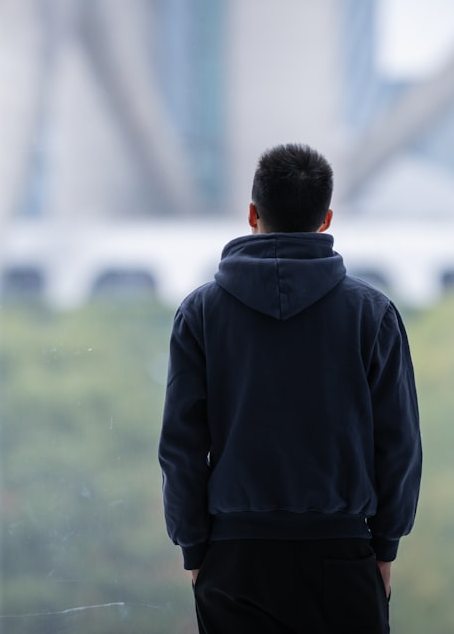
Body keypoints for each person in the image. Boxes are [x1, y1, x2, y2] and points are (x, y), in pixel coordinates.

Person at [158, 143, 422, 634]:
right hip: (343, 556)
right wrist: (385, 547)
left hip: (233, 559)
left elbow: (182, 448)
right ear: (326, 220)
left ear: (253, 214)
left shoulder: (200, 313)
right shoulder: (373, 314)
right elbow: (399, 446)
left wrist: (195, 548)